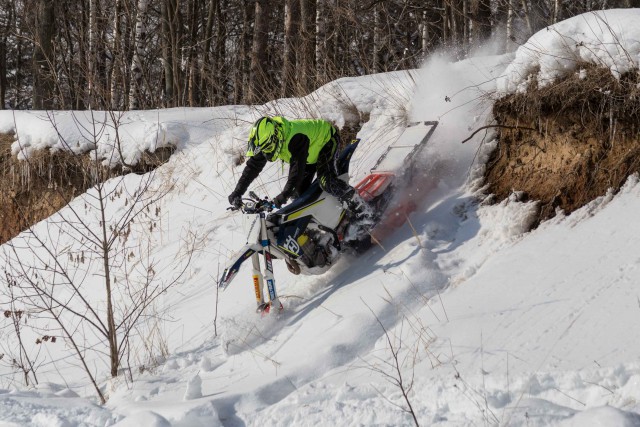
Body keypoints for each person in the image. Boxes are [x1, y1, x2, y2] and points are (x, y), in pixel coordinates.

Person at [228, 116, 361, 211]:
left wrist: (283, 195)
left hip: (326, 141)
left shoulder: (295, 138)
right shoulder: (266, 143)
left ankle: (360, 206)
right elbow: (252, 167)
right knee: (298, 196)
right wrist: (237, 192)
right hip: (307, 154)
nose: (266, 153)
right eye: (264, 149)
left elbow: (297, 171)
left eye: (268, 148)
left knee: (327, 181)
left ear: (276, 137)